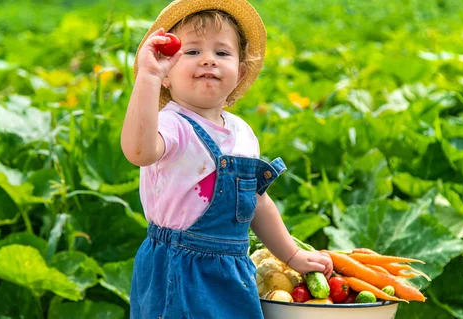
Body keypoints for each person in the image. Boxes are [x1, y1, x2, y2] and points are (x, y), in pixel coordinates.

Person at [121, 0, 333, 318]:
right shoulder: (171, 124)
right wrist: (148, 76)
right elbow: (138, 151)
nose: (208, 60)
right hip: (178, 270)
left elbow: (256, 202)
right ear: (167, 73)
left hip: (233, 272)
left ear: (241, 72)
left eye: (222, 53)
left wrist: (292, 255)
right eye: (191, 52)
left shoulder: (243, 133)